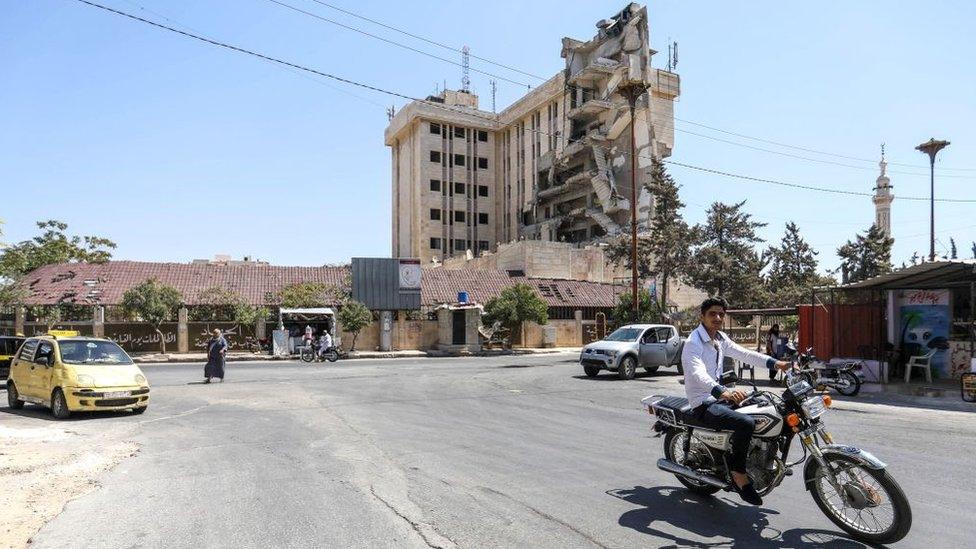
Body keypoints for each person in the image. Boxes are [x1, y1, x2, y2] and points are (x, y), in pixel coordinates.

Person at [682, 297, 790, 506]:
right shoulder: (693, 342)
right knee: (745, 423)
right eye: (713, 314)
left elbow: (744, 354)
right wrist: (723, 391)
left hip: (720, 395)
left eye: (721, 314)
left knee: (766, 407)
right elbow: (697, 374)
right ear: (702, 316)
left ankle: (760, 460)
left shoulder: (720, 338)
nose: (718, 317)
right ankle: (738, 474)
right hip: (703, 402)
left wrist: (775, 363)